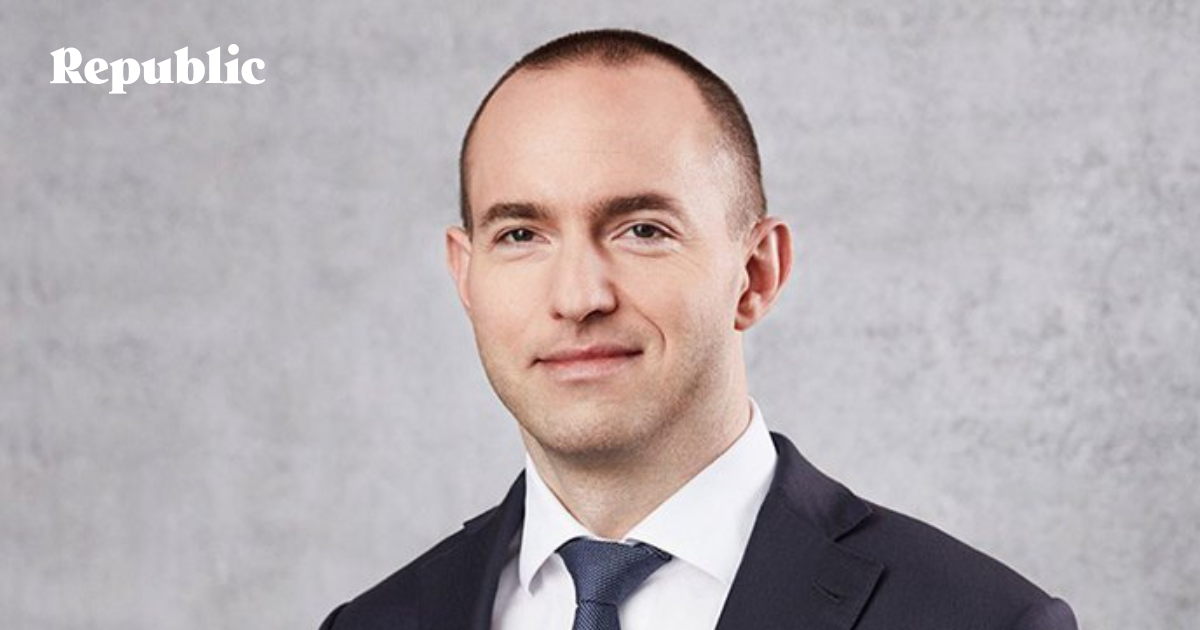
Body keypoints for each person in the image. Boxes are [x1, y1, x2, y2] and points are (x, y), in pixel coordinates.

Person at [319, 29, 1078, 630]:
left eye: (642, 230)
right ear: (466, 276)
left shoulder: (981, 621)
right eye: (520, 235)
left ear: (756, 273)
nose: (578, 297)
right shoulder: (376, 623)